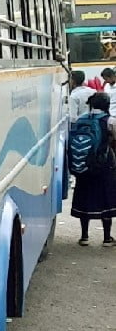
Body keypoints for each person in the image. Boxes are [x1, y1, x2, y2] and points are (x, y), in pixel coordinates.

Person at [70, 92, 116, 245]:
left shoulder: (81, 119)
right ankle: (107, 238)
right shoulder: (109, 121)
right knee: (106, 199)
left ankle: (84, 236)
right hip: (103, 165)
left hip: (83, 165)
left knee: (84, 197)